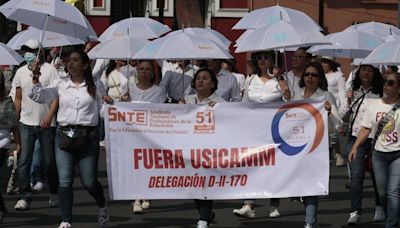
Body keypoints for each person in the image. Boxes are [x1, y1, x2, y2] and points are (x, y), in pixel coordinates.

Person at [28, 50, 109, 228]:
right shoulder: (61, 84)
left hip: (88, 137)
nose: (70, 64)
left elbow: (103, 112)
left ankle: (102, 205)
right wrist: (35, 76)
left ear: (85, 65)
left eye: (75, 60)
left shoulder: (96, 85)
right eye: (68, 61)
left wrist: (110, 104)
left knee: (89, 181)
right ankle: (66, 220)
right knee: (65, 180)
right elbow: (37, 96)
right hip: (64, 136)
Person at [233, 50, 290, 219]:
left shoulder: (279, 80)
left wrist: (280, 78)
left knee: (272, 166)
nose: (263, 60)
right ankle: (248, 204)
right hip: (253, 129)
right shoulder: (251, 79)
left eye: (266, 57)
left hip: (274, 129)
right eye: (259, 58)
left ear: (273, 60)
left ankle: (274, 205)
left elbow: (289, 99)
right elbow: (244, 104)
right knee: (251, 165)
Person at [13, 39, 59, 210]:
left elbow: (56, 96)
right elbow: (18, 98)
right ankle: (24, 196)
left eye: (31, 50)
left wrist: (49, 116)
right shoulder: (20, 72)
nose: (28, 53)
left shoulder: (50, 70)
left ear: (40, 51)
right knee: (24, 160)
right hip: (25, 122)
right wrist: (14, 122)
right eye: (25, 50)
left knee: (49, 161)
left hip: (46, 123)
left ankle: (54, 192)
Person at [349, 72, 400, 228]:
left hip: (398, 154)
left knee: (393, 191)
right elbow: (365, 128)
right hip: (379, 154)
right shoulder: (374, 105)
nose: (386, 85)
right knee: (383, 193)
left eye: (391, 83)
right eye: (385, 82)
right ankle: (393, 213)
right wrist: (355, 147)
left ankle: (391, 223)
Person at [293, 62, 340, 228]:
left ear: (320, 78)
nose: (310, 78)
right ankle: (310, 215)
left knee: (311, 184)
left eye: (314, 75)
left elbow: (338, 125)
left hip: (319, 147)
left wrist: (328, 113)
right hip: (298, 147)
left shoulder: (326, 96)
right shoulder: (296, 96)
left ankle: (310, 221)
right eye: (307, 74)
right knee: (302, 185)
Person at [180, 68, 225, 228]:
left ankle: (204, 219)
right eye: (198, 78)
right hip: (189, 149)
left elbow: (230, 122)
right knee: (194, 182)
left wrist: (220, 111)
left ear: (212, 84)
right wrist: (180, 108)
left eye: (205, 78)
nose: (200, 81)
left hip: (210, 150)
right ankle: (206, 214)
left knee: (206, 182)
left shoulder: (220, 102)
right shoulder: (187, 100)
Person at [342, 64, 384, 225]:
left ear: (375, 74)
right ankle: (355, 211)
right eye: (363, 69)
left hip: (376, 139)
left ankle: (380, 206)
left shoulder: (380, 92)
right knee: (356, 177)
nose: (366, 73)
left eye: (371, 70)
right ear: (358, 72)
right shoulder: (354, 91)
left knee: (378, 177)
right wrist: (348, 100)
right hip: (356, 139)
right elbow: (344, 116)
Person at [126, 60, 165, 214]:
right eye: (141, 69)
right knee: (135, 166)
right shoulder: (129, 88)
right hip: (132, 134)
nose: (144, 71)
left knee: (148, 165)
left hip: (151, 135)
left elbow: (161, 112)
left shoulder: (159, 91)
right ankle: (136, 198)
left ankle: (147, 193)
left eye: (147, 69)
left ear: (152, 73)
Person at [0, 69, 21, 223]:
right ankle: (1, 208)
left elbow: (14, 125)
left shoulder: (6, 102)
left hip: (2, 145)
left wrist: (18, 145)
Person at [319, 56, 346, 167]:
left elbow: (342, 93)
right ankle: (326, 156)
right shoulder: (320, 76)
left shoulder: (338, 76)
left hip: (334, 107)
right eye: (322, 62)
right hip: (322, 106)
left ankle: (338, 153)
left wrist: (342, 110)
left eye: (325, 62)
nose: (323, 64)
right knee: (323, 133)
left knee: (333, 134)